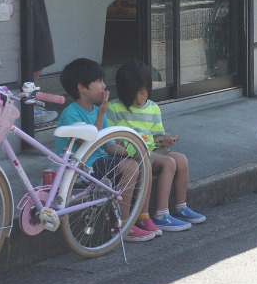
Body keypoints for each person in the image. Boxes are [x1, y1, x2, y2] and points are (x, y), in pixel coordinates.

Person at [56, 58, 155, 242]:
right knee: (130, 168)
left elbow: (107, 144)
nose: (103, 86)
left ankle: (142, 216)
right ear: (82, 88)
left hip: (99, 163)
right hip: (81, 167)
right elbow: (88, 143)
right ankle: (123, 224)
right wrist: (101, 113)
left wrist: (126, 152)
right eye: (98, 81)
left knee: (141, 161)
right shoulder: (72, 113)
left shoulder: (95, 109)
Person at [107, 62, 205, 233]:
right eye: (134, 94)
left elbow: (156, 138)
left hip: (150, 147)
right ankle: (161, 214)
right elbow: (112, 138)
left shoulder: (153, 108)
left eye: (143, 93)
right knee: (169, 163)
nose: (139, 99)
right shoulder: (113, 108)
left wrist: (164, 141)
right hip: (133, 151)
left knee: (181, 159)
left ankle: (181, 207)